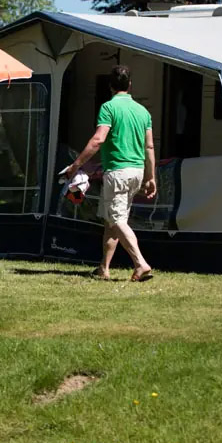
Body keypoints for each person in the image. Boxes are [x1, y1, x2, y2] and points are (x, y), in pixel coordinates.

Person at [65, 65, 157, 282]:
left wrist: (76, 165)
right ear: (130, 85)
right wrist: (151, 177)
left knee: (117, 220)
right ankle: (103, 268)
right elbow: (150, 147)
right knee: (111, 220)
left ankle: (140, 263)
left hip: (117, 172)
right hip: (137, 171)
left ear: (110, 86)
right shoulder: (143, 111)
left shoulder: (109, 107)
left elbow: (98, 139)